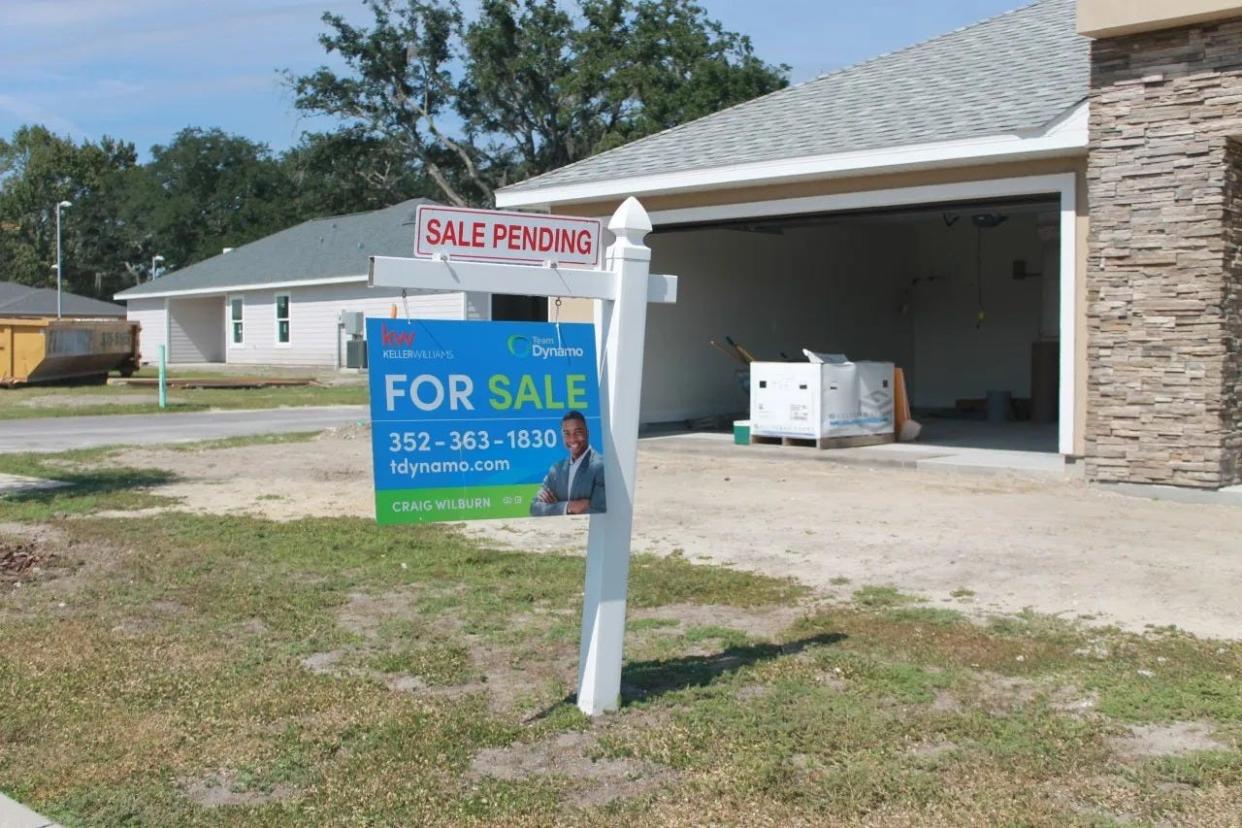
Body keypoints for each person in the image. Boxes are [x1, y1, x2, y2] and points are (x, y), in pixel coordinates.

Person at [529, 410, 606, 516]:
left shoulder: (601, 467)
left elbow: (599, 510)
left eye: (577, 432)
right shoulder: (556, 470)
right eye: (567, 434)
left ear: (587, 432)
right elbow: (535, 508)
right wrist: (568, 507)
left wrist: (553, 507)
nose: (572, 439)